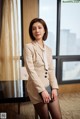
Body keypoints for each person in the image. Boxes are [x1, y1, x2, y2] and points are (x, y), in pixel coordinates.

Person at [23, 18, 62, 119]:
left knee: (58, 117)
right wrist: (42, 90)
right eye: (34, 29)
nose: (37, 30)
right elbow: (31, 71)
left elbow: (51, 70)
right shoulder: (28, 47)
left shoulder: (49, 49)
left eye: (40, 27)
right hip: (36, 88)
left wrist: (54, 88)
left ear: (44, 30)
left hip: (48, 85)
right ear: (31, 32)